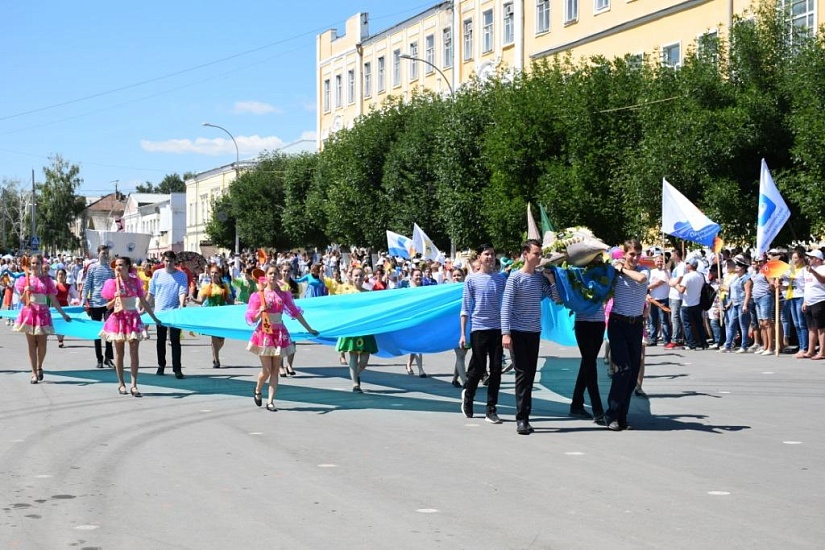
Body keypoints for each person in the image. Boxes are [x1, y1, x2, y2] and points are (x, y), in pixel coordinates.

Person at [501, 239, 556, 435]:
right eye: (536, 253)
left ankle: (526, 416)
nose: (539, 257)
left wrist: (551, 281)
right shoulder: (515, 278)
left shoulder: (539, 278)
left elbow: (555, 299)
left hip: (533, 332)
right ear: (526, 254)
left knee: (530, 374)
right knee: (522, 374)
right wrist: (505, 333)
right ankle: (521, 419)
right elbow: (506, 306)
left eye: (540, 254)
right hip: (517, 331)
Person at [247, 265, 318, 411]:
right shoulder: (258, 295)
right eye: (270, 273)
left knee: (275, 370)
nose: (273, 276)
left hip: (279, 332)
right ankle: (258, 389)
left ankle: (271, 401)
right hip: (264, 332)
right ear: (265, 276)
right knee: (266, 370)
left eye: (275, 273)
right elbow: (251, 318)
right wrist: (259, 312)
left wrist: (309, 329)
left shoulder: (284, 294)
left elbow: (295, 312)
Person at [603, 239, 649, 431]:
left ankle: (623, 415)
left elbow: (640, 280)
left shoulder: (644, 271)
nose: (636, 258)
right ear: (624, 254)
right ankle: (611, 414)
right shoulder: (615, 272)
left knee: (632, 373)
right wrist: (613, 268)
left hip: (636, 324)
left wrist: (621, 269)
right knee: (623, 369)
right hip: (618, 323)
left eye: (638, 254)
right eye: (631, 254)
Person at [100, 257, 162, 397]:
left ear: (128, 266)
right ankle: (121, 384)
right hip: (118, 319)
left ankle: (134, 385)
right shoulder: (112, 283)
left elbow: (144, 302)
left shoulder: (134, 282)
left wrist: (154, 318)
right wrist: (115, 297)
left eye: (121, 265)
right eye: (116, 265)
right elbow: (108, 306)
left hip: (133, 318)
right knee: (119, 353)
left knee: (134, 352)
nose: (118, 267)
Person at [459, 244, 507, 424]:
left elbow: (509, 300)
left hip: (497, 328)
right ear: (479, 257)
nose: (490, 257)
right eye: (486, 254)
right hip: (478, 328)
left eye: (492, 254)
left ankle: (491, 409)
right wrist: (463, 334)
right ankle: (468, 397)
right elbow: (465, 307)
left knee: (496, 369)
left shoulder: (500, 279)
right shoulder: (471, 280)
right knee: (478, 369)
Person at [13, 254, 72, 384]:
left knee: (42, 344)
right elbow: (22, 301)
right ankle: (33, 372)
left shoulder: (46, 280)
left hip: (43, 313)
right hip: (29, 312)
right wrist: (26, 291)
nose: (34, 266)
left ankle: (40, 366)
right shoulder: (25, 280)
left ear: (41, 265)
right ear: (29, 265)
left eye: (37, 263)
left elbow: (53, 299)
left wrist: (63, 314)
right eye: (32, 263)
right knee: (31, 345)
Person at [335, 267, 379, 392]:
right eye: (356, 276)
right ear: (351, 277)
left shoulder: (368, 293)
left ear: (364, 277)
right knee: (353, 356)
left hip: (365, 328)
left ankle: (355, 374)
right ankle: (355, 384)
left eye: (360, 275)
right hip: (352, 328)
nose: (358, 278)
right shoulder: (347, 293)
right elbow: (340, 308)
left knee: (364, 360)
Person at [148, 251, 189, 379]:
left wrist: (181, 304)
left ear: (174, 261)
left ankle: (177, 368)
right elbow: (151, 293)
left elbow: (182, 291)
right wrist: (144, 306)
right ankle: (161, 365)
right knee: (160, 341)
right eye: (166, 261)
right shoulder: (157, 274)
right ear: (163, 261)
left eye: (170, 261)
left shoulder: (181, 275)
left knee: (175, 341)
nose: (168, 263)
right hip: (160, 312)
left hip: (174, 312)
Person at [191, 264, 234, 368]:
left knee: (221, 339)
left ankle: (215, 352)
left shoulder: (224, 285)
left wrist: (235, 303)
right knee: (214, 337)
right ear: (209, 274)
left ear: (219, 274)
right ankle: (216, 359)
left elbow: (229, 300)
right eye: (212, 273)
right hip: (212, 314)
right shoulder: (207, 286)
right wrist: (192, 299)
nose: (214, 274)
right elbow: (201, 301)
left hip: (222, 314)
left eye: (216, 272)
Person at [83, 245, 115, 369]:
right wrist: (84, 300)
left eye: (107, 253)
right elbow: (87, 285)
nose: (105, 255)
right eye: (103, 253)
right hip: (95, 303)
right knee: (96, 332)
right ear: (98, 254)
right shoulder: (92, 267)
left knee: (109, 331)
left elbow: (115, 283)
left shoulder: (111, 268)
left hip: (108, 303)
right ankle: (99, 358)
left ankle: (108, 357)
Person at [676, 258, 708, 350]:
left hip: (687, 304)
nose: (686, 265)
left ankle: (691, 343)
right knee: (699, 324)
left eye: (687, 263)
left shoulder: (687, 276)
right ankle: (703, 342)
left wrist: (676, 285)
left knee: (687, 325)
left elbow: (681, 290)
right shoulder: (701, 275)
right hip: (697, 303)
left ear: (690, 265)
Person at [278, 261, 301, 376]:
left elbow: (298, 300)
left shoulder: (295, 285)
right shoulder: (278, 284)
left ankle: (290, 365)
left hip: (292, 315)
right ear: (281, 271)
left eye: (288, 271)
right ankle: (280, 367)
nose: (286, 273)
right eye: (284, 270)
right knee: (281, 341)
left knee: (293, 341)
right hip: (281, 314)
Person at [801, 249, 825, 360]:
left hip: (819, 300)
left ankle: (822, 352)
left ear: (818, 259)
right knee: (811, 327)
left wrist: (813, 272)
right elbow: (807, 286)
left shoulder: (822, 268)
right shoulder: (807, 270)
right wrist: (805, 301)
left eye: (811, 257)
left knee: (821, 328)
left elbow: (823, 280)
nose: (809, 259)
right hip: (809, 301)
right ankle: (810, 351)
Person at [405, 268, 427, 377]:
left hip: (420, 319)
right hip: (410, 320)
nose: (418, 277)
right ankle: (419, 368)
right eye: (416, 275)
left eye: (420, 275)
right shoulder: (407, 290)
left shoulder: (423, 290)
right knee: (416, 344)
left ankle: (411, 365)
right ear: (412, 277)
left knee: (417, 344)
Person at [54, 268, 77, 348]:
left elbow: (75, 296)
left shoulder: (68, 286)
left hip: (65, 306)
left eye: (62, 274)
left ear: (65, 276)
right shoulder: (54, 285)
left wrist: (75, 302)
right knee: (57, 323)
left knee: (64, 323)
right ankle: (59, 340)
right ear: (57, 275)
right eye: (59, 274)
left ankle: (61, 338)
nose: (61, 276)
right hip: (55, 306)